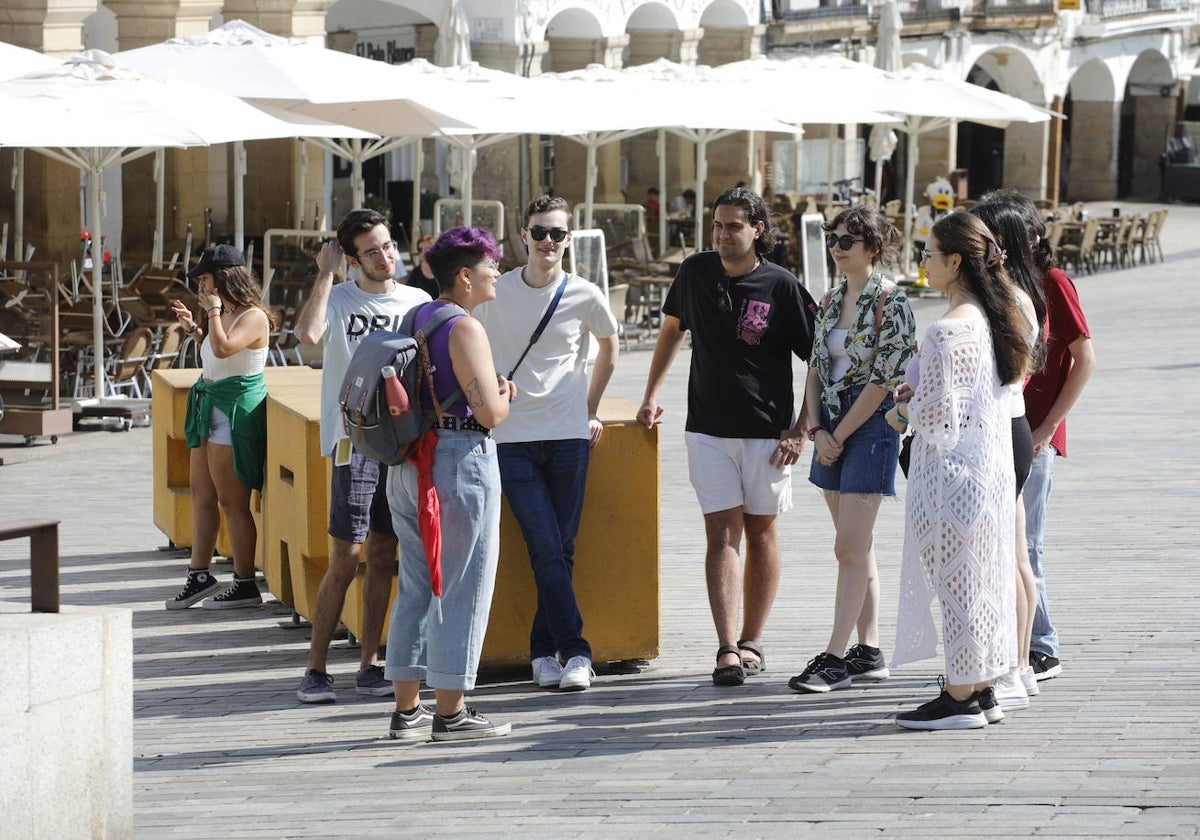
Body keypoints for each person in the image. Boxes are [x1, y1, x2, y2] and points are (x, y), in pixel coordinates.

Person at [637, 185, 817, 687]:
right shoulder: (695, 271)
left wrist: (800, 428)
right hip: (708, 428)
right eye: (717, 224)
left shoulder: (781, 286)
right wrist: (651, 392)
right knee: (721, 534)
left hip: (767, 432)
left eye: (734, 225)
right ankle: (726, 648)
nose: (722, 234)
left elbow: (818, 361)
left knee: (761, 533)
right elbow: (673, 329)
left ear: (757, 230)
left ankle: (753, 639)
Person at [886, 211, 1033, 730]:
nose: (922, 263)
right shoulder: (995, 320)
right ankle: (984, 684)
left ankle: (959, 694)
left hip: (950, 476)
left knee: (957, 583)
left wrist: (900, 409)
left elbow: (937, 417)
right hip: (988, 472)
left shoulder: (948, 329)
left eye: (928, 254)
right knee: (982, 577)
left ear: (953, 261)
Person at [474, 196, 620, 693]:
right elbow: (467, 337)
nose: (548, 243)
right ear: (523, 235)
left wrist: (592, 406)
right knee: (545, 545)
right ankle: (576, 650)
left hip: (567, 436)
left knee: (560, 548)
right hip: (511, 436)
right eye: (540, 233)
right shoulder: (498, 293)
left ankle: (542, 653)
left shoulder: (584, 293)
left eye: (557, 234)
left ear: (569, 240)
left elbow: (610, 344)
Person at [291, 209, 431, 703]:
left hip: (402, 443)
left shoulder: (417, 300)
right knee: (346, 557)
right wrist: (326, 273)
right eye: (371, 251)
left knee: (384, 554)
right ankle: (316, 667)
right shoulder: (340, 297)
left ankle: (371, 662)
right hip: (354, 442)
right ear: (353, 259)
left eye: (389, 246)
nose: (385, 257)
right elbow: (307, 336)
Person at [383, 226, 516, 742]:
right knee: (464, 583)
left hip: (410, 461)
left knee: (416, 584)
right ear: (464, 277)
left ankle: (407, 710)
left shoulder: (415, 315)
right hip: (458, 461)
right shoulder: (465, 328)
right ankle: (452, 713)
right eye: (490, 266)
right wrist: (505, 392)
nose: (497, 273)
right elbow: (492, 413)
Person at [789, 207, 917, 693]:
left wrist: (840, 434)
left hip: (871, 428)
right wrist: (817, 428)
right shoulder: (829, 300)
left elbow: (887, 380)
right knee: (856, 548)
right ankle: (870, 649)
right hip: (830, 429)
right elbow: (816, 368)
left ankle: (835, 657)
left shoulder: (893, 302)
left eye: (849, 239)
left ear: (873, 247)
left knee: (848, 546)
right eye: (834, 238)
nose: (838, 246)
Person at [1008, 193, 1095, 682]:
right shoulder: (1004, 288)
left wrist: (1048, 427)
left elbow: (1086, 359)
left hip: (1036, 432)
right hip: (1006, 428)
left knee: (1029, 543)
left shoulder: (1052, 282)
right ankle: (1017, 639)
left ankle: (1043, 646)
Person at [970, 195, 1050, 709]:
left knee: (1009, 558)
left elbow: (1004, 374)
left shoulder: (1010, 299)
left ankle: (1015, 666)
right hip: (1012, 423)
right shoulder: (1021, 294)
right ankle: (1018, 668)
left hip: (1005, 427)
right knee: (1016, 555)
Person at [166, 245, 273, 610]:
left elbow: (226, 349)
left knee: (233, 502)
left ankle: (245, 583)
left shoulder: (252, 316)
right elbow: (214, 352)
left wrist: (211, 313)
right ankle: (200, 574)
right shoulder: (223, 314)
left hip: (235, 410)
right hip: (211, 406)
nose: (201, 286)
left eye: (206, 279)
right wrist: (196, 328)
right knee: (202, 495)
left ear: (224, 278)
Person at [408, 234, 440, 300]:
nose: (423, 252)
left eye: (427, 249)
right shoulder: (416, 272)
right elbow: (409, 294)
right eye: (420, 249)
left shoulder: (444, 270)